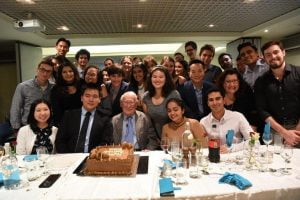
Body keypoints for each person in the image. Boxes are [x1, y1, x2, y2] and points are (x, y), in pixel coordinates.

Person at [254, 40, 300, 147]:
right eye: (268, 55)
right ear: (264, 58)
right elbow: (262, 110)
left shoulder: (298, 73)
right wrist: (284, 133)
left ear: (283, 52)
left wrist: (296, 133)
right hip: (274, 132)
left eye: (276, 52)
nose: (273, 56)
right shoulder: (261, 81)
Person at [55, 83, 113, 153]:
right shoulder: (69, 115)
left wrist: (93, 156)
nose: (91, 99)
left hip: (93, 159)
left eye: (95, 96)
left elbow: (105, 143)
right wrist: (69, 157)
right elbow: (60, 141)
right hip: (69, 158)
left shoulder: (105, 119)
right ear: (81, 98)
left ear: (99, 100)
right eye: (87, 96)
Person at [200, 88, 252, 153]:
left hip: (236, 159)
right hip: (214, 159)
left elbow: (254, 141)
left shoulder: (238, 117)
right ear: (208, 103)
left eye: (218, 99)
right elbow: (202, 146)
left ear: (224, 100)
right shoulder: (203, 122)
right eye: (211, 100)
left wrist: (232, 148)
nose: (215, 103)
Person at [10, 58, 54, 132]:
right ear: (37, 69)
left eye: (48, 71)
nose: (45, 73)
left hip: (48, 127)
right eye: (42, 70)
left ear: (51, 73)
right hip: (27, 127)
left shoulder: (54, 88)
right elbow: (15, 108)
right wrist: (16, 129)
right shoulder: (23, 87)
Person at [142, 66, 181, 139]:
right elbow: (148, 122)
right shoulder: (146, 97)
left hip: (173, 136)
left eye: (161, 77)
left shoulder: (174, 94)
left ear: (166, 79)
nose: (157, 80)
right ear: (150, 79)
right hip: (154, 138)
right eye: (154, 77)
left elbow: (179, 118)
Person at [50, 60, 82, 126]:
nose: (68, 74)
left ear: (74, 72)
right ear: (61, 74)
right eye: (64, 72)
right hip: (64, 124)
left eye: (70, 71)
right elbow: (56, 111)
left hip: (82, 122)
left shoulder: (82, 84)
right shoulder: (56, 89)